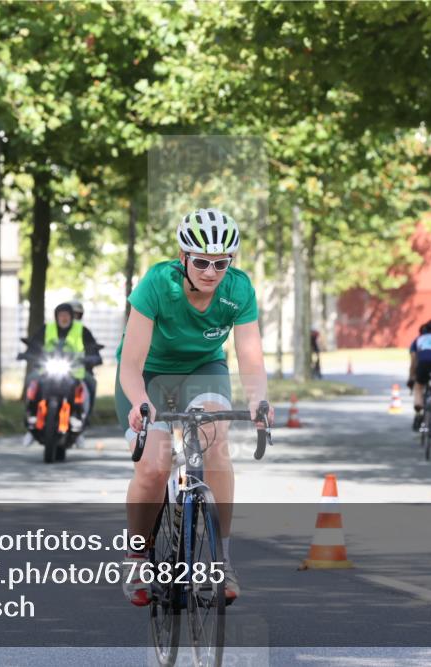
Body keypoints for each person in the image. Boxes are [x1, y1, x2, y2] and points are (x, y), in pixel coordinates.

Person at [116, 207, 273, 607]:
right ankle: (137, 556)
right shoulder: (157, 284)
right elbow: (130, 365)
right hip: (149, 374)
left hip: (203, 368)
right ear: (183, 257)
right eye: (201, 262)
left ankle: (220, 559)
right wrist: (141, 404)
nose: (211, 271)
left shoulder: (237, 290)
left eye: (221, 263)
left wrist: (258, 401)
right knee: (153, 466)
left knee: (215, 441)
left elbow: (250, 358)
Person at [23, 302, 101, 446]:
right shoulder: (47, 328)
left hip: (74, 371)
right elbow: (35, 344)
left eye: (67, 315)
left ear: (71, 317)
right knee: (31, 380)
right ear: (56, 316)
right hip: (47, 369)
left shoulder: (82, 330)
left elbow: (92, 347)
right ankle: (31, 419)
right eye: (61, 315)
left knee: (91, 383)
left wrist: (93, 357)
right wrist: (28, 354)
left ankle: (81, 424)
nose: (64, 318)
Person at [69, 300, 100, 424]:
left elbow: (93, 350)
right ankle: (32, 416)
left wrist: (92, 358)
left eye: (78, 314)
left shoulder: (84, 332)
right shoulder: (54, 330)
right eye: (72, 314)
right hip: (55, 369)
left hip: (80, 370)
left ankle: (86, 416)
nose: (75, 317)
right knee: (34, 380)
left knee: (91, 382)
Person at [408, 319, 431, 432]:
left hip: (422, 364)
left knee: (418, 387)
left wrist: (411, 377)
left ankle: (418, 408)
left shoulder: (419, 339)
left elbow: (414, 360)